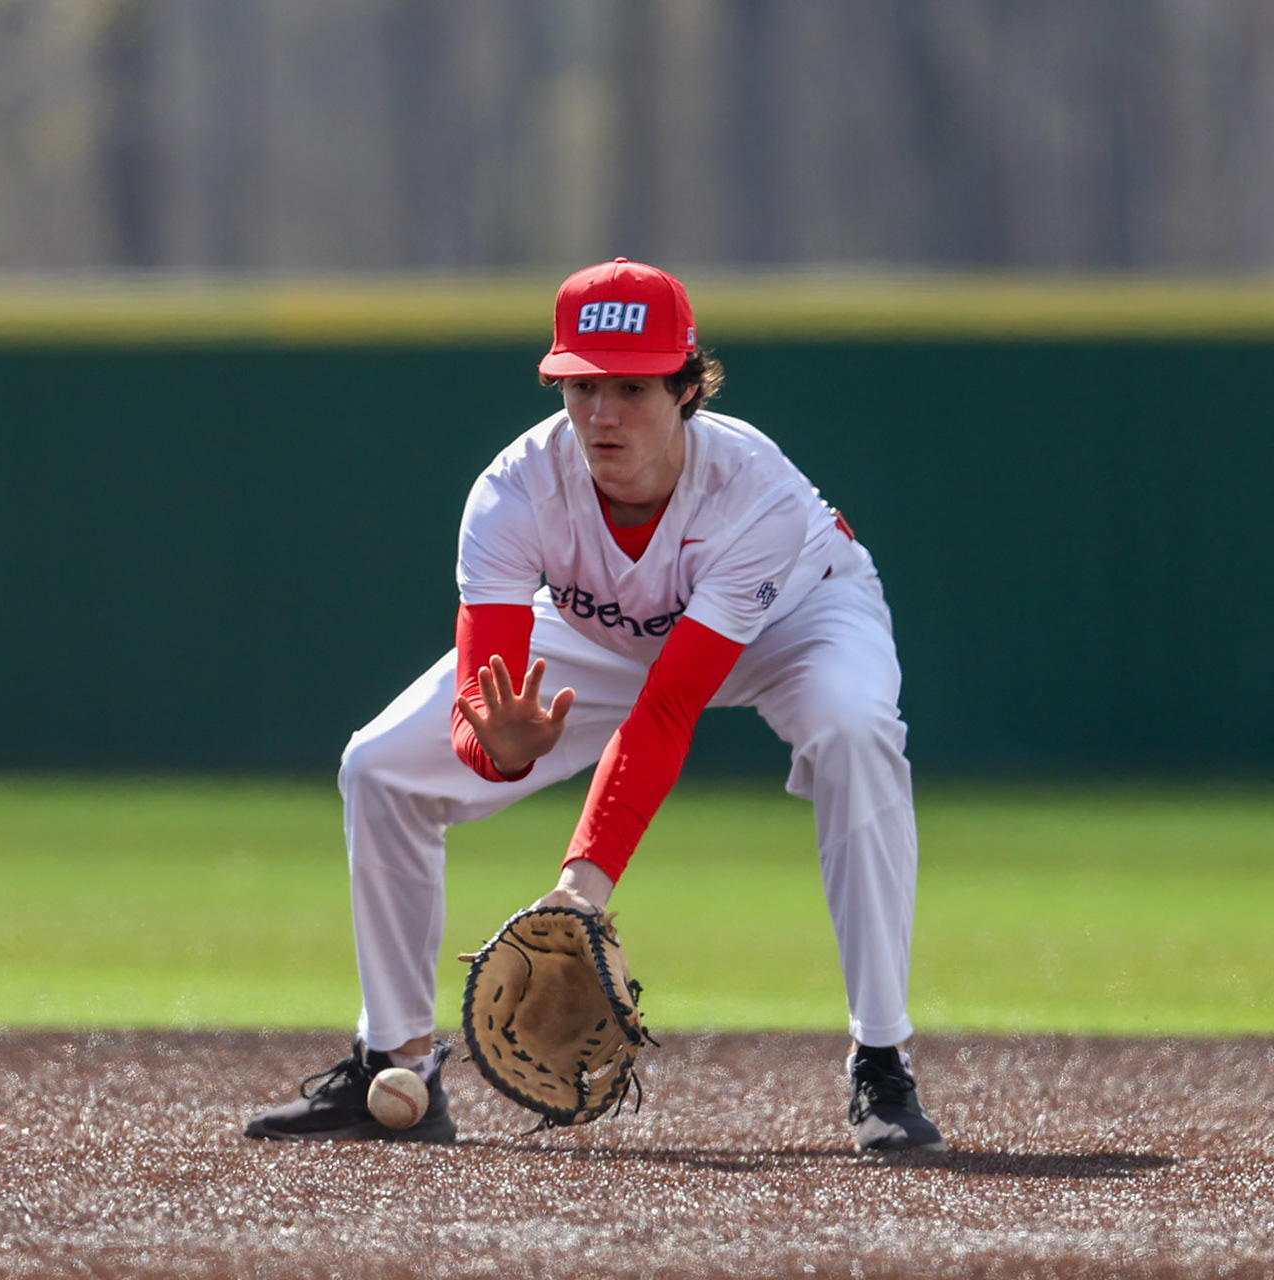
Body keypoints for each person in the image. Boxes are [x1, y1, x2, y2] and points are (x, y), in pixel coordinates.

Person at [244, 258, 944, 1152]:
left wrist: (584, 881)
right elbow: (481, 702)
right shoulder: (512, 491)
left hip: (798, 619)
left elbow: (667, 710)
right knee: (378, 768)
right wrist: (495, 748)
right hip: (602, 631)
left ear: (689, 388)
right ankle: (397, 1061)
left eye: (633, 387)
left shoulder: (753, 494)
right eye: (581, 385)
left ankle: (880, 1058)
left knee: (856, 731)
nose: (602, 414)